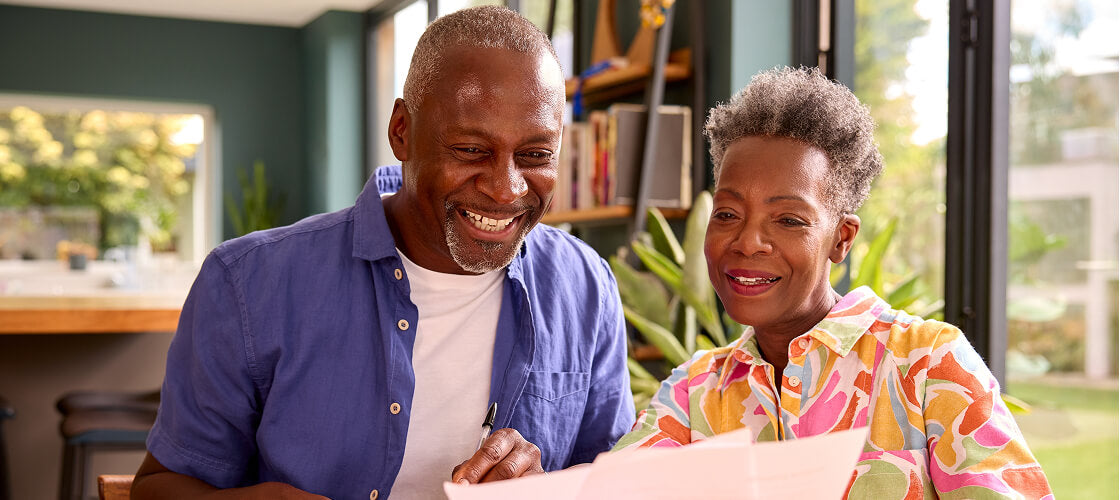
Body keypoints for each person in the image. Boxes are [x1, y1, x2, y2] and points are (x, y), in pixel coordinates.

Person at [132, 6, 634, 499]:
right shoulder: (248, 283)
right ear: (401, 132)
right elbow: (156, 488)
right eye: (471, 150)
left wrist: (547, 492)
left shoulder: (586, 285)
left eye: (535, 155)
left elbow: (618, 483)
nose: (507, 189)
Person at [613, 66, 1053, 499]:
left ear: (841, 239)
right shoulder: (693, 391)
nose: (747, 242)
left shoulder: (929, 365)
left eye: (789, 220)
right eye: (727, 214)